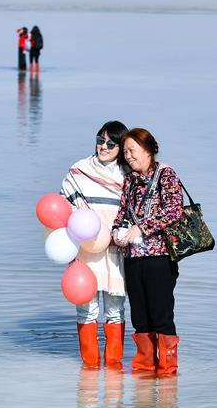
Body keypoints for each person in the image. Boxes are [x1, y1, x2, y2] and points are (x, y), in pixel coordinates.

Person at [111, 128, 184, 376]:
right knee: (140, 318)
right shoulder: (130, 180)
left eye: (132, 150)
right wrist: (117, 232)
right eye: (125, 152)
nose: (128, 156)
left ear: (148, 149)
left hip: (159, 257)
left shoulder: (166, 174)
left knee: (161, 316)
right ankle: (144, 374)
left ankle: (167, 375)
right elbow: (122, 212)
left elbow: (174, 210)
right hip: (133, 258)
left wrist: (141, 228)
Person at [61, 121, 129, 368]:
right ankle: (89, 370)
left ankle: (113, 369)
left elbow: (135, 209)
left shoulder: (127, 174)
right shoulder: (79, 171)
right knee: (86, 310)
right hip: (84, 249)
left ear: (121, 147)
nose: (104, 147)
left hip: (115, 250)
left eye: (111, 143)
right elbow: (63, 205)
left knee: (115, 311)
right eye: (100, 140)